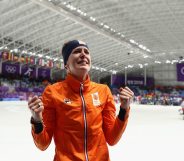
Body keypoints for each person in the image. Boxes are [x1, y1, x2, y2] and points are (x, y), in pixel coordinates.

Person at [28, 40, 134, 161]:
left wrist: (124, 109)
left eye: (86, 52)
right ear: (66, 64)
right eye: (77, 51)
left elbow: (112, 138)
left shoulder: (103, 91)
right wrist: (36, 120)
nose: (83, 54)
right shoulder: (52, 92)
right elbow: (43, 144)